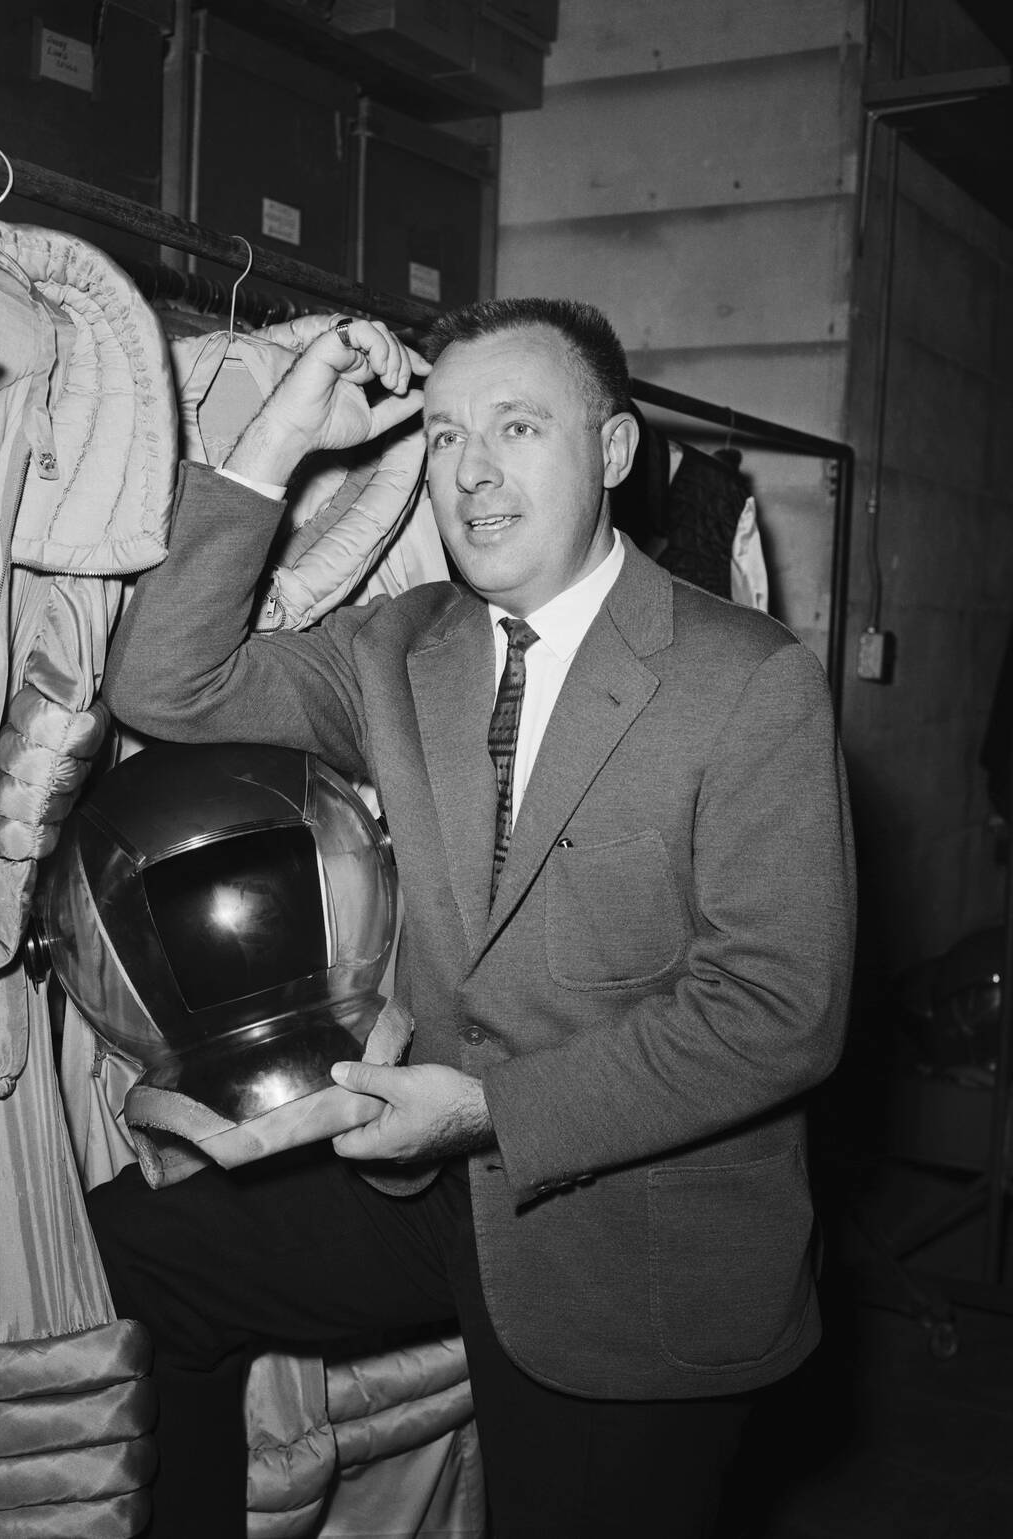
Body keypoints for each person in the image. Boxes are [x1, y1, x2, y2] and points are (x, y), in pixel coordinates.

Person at [88, 299, 856, 1538]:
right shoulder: (403, 646)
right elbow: (163, 681)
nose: (473, 472)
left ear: (613, 454)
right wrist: (280, 440)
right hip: (436, 1186)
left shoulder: (747, 678)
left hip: (631, 1246)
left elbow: (780, 1013)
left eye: (516, 426)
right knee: (140, 1249)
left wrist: (489, 1110)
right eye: (445, 436)